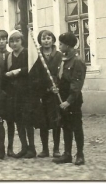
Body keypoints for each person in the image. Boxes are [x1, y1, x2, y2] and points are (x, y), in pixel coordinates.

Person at [52, 32, 87, 166]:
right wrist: (56, 88)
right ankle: (67, 154)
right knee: (65, 126)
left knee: (76, 126)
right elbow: (61, 78)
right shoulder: (64, 59)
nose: (59, 46)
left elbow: (77, 85)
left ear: (67, 45)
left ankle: (80, 154)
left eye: (61, 44)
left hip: (73, 100)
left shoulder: (77, 61)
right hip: (62, 97)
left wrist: (69, 101)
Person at [3, 30, 38, 159]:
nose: (14, 44)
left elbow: (33, 69)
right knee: (18, 121)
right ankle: (24, 147)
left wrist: (18, 71)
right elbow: (7, 72)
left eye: (17, 41)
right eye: (11, 41)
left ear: (21, 41)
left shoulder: (28, 53)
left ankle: (32, 148)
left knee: (28, 120)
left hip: (27, 92)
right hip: (14, 93)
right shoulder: (9, 56)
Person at [31, 30, 63, 158]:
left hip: (56, 93)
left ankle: (56, 149)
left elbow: (62, 74)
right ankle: (45, 149)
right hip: (43, 93)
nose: (46, 41)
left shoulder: (59, 55)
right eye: (43, 38)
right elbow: (35, 74)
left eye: (48, 38)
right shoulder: (37, 56)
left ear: (53, 40)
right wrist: (46, 87)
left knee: (56, 122)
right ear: (40, 41)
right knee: (43, 122)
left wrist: (57, 86)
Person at [0, 29, 15, 157]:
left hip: (9, 92)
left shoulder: (11, 55)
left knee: (10, 121)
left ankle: (10, 147)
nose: (1, 42)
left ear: (7, 40)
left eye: (3, 39)